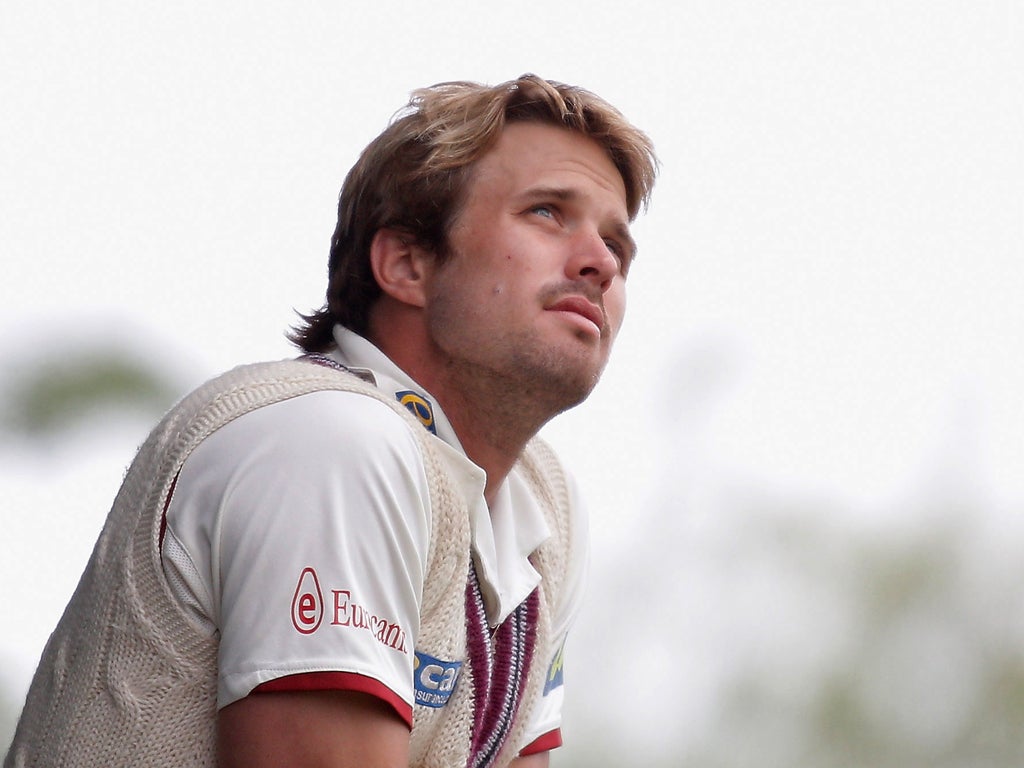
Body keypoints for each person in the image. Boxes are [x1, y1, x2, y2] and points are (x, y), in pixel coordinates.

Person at [5, 74, 657, 768]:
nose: (599, 265)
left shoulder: (544, 512)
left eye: (617, 245)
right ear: (407, 264)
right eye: (547, 213)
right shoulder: (333, 442)